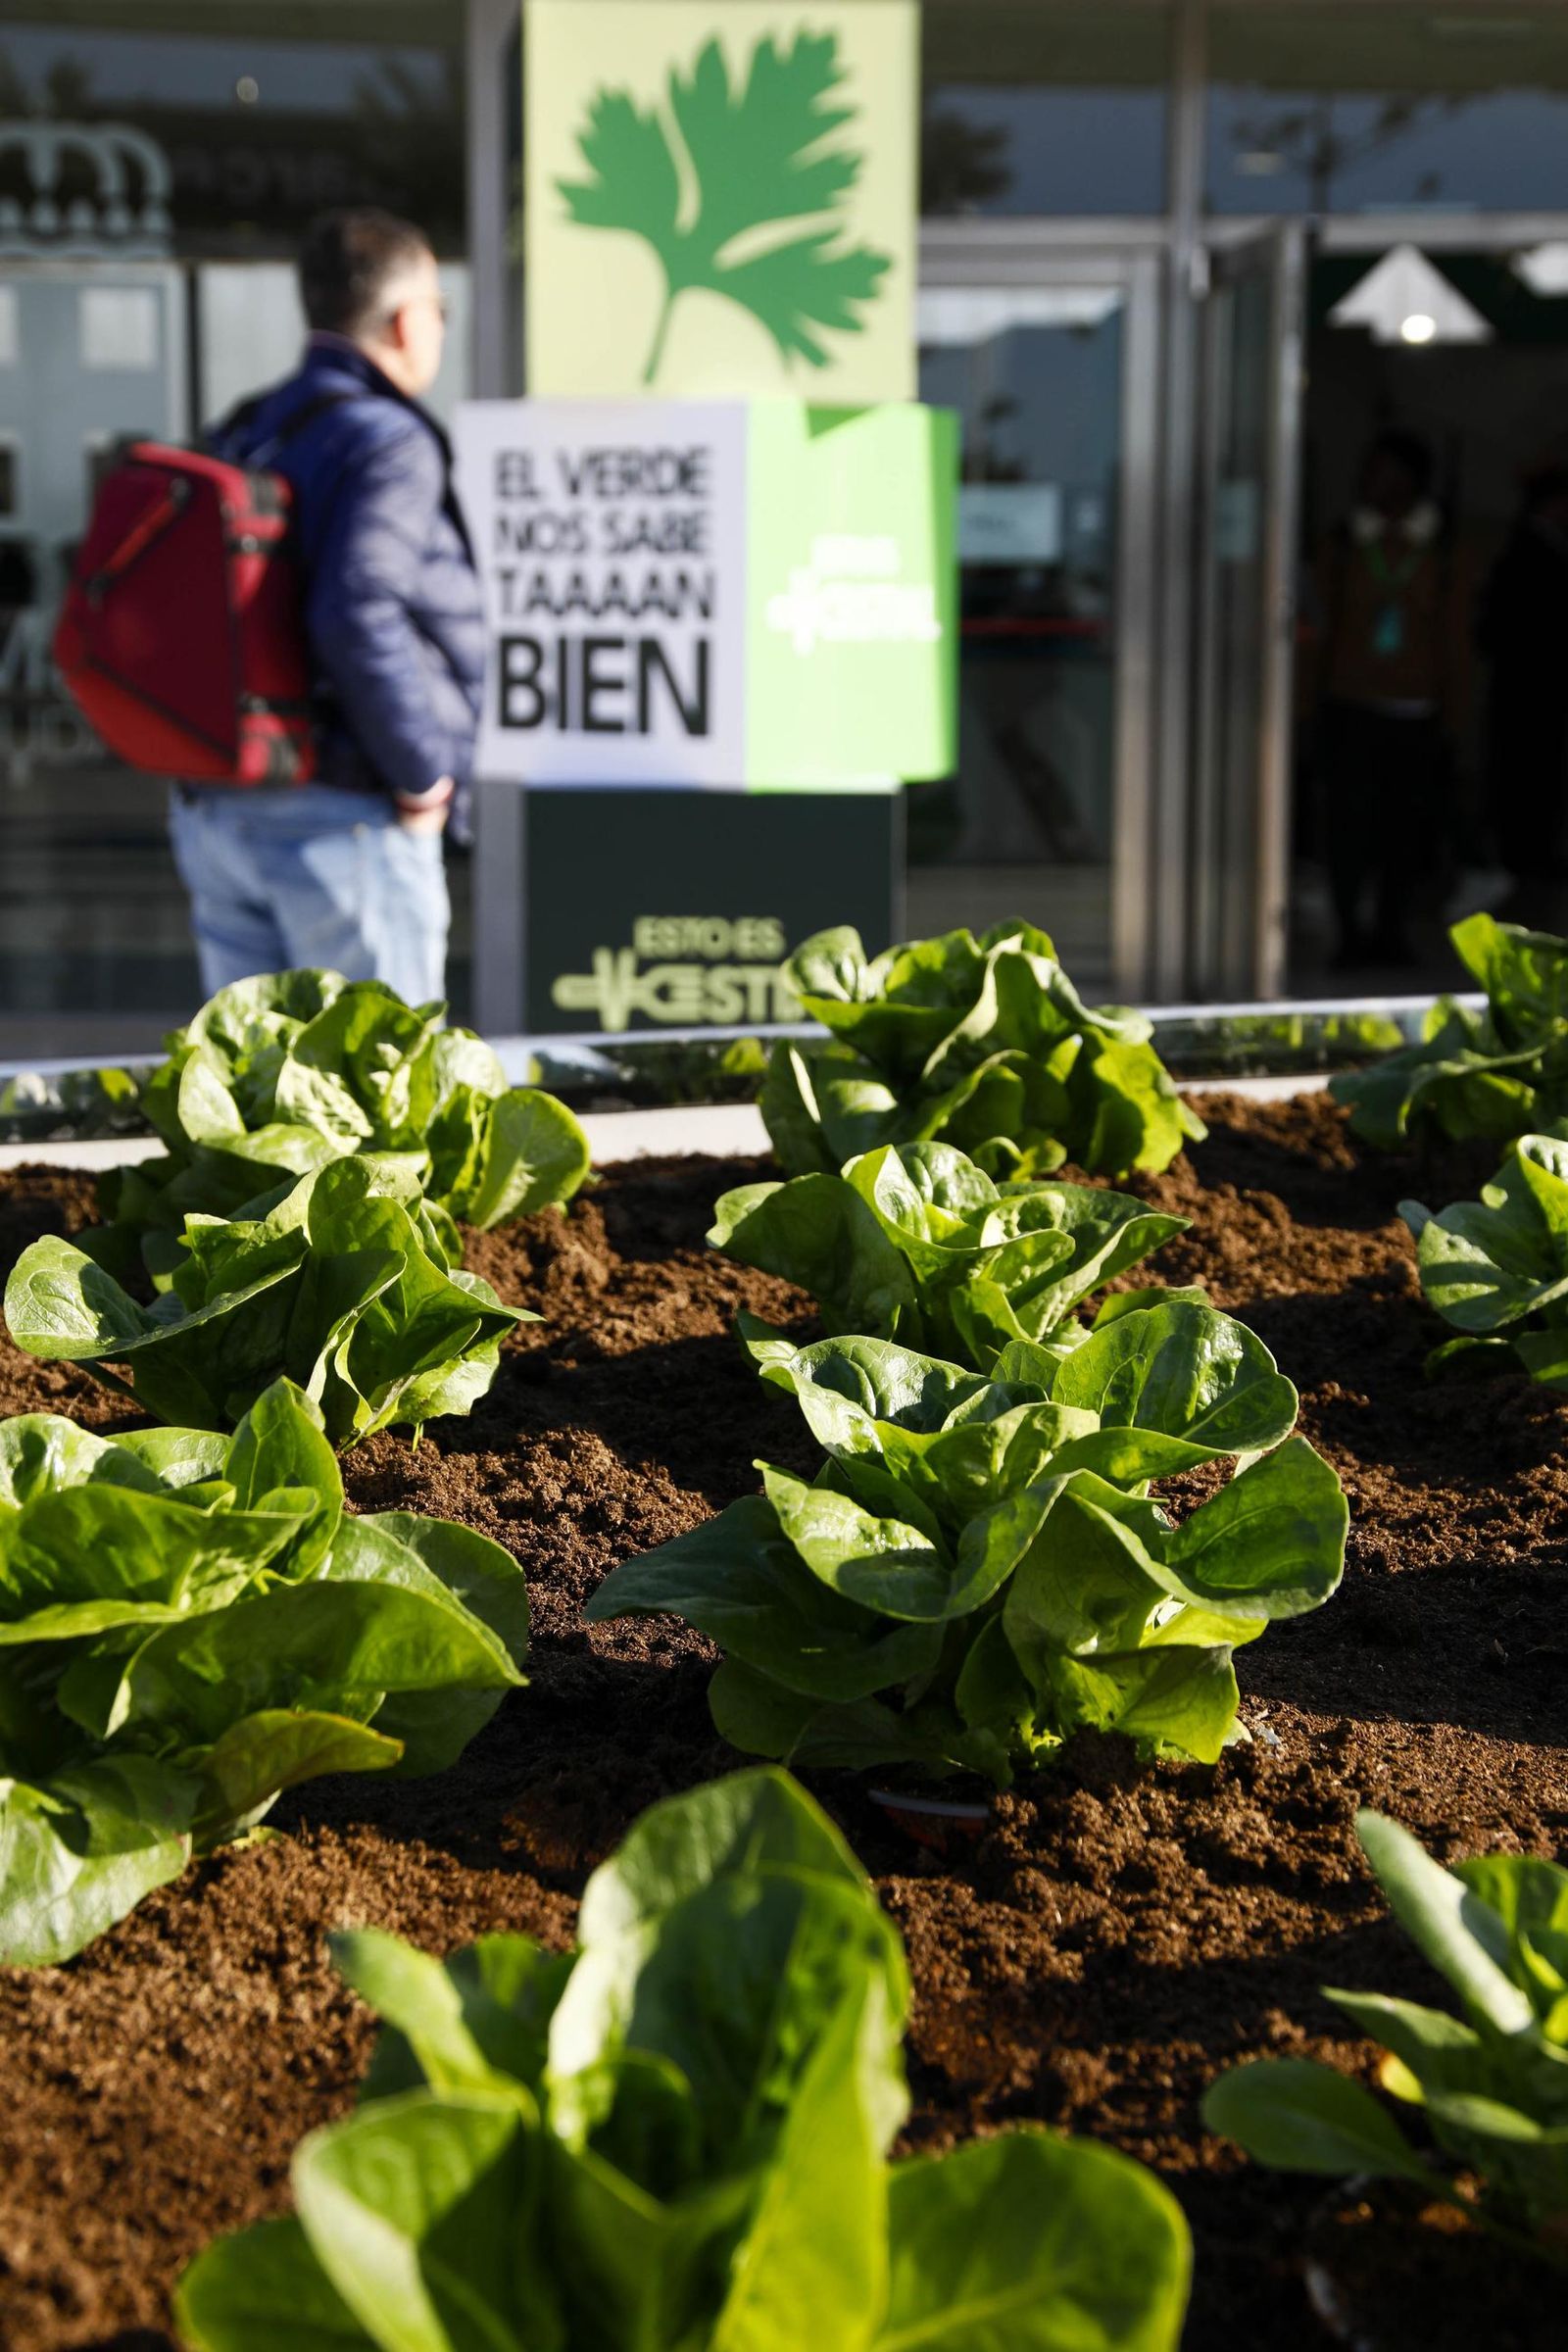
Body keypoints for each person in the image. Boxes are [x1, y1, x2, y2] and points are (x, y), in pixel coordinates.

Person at [169, 208, 483, 1004]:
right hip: (344, 819)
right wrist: (422, 778)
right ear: (409, 321)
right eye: (439, 313)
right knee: (384, 1108)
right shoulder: (386, 440)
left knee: (252, 1103)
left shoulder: (249, 426)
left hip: (223, 812)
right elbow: (356, 608)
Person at [1311, 429, 1469, 969]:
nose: (1375, 484)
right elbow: (1320, 626)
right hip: (1351, 705)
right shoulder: (1345, 543)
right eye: (1370, 471)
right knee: (1347, 830)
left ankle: (1391, 929)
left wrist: (1455, 716)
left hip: (1416, 711)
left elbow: (1455, 639)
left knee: (1404, 833)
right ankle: (1348, 931)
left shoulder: (1443, 549)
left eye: (1388, 472)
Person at [1477, 449, 1568, 925]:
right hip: (1530, 690)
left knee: (1533, 777)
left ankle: (1528, 858)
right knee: (1528, 778)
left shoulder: (1534, 549)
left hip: (1530, 690)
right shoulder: (1530, 553)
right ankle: (1523, 860)